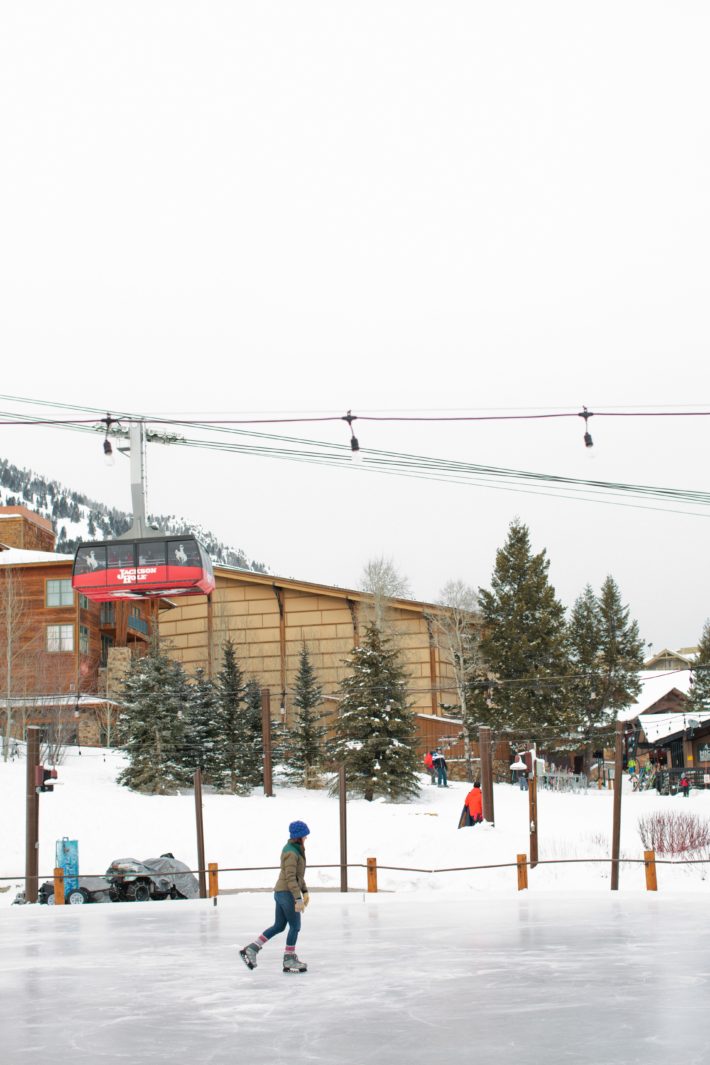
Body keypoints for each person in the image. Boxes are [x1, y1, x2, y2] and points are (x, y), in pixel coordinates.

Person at [240, 820, 311, 974]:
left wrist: (304, 891)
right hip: (286, 893)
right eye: (305, 835)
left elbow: (298, 876)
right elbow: (291, 877)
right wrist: (298, 898)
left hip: (282, 892)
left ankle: (252, 949)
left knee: (279, 926)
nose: (306, 838)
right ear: (299, 836)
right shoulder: (292, 852)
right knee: (295, 926)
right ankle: (289, 958)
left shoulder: (295, 849)